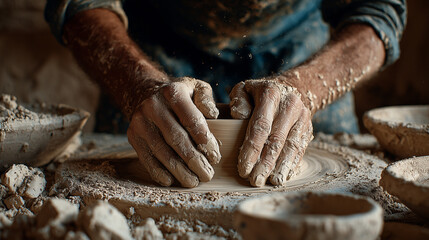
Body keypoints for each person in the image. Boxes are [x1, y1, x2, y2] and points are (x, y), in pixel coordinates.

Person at [45, 0, 406, 188]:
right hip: (148, 59)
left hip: (303, 59)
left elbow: (378, 11)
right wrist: (137, 85)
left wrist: (307, 90)